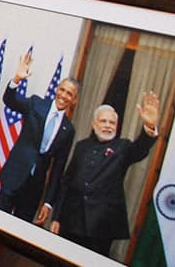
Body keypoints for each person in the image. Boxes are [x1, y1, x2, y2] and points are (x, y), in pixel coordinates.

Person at [49, 95, 159, 256]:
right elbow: (67, 183)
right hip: (71, 221)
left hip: (101, 226)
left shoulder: (123, 148)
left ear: (117, 126)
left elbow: (140, 149)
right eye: (103, 121)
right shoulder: (82, 146)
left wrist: (149, 128)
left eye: (112, 122)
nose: (108, 125)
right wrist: (57, 217)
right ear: (94, 124)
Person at [0, 50, 78, 223]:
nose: (63, 95)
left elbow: (58, 168)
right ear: (57, 89)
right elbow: (10, 101)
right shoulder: (35, 104)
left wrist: (48, 202)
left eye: (69, 94)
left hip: (34, 188)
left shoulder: (68, 130)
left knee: (17, 231)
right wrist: (16, 79)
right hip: (14, 175)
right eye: (62, 90)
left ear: (74, 100)